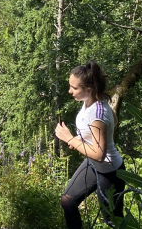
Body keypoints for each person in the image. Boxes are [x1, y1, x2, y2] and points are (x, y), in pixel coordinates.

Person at [54, 61, 126, 229]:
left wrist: (70, 139)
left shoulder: (97, 114)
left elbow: (100, 154)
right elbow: (106, 127)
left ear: (88, 90)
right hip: (93, 165)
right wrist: (80, 141)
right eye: (70, 86)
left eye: (74, 88)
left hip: (110, 172)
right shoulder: (91, 102)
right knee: (68, 200)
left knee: (113, 221)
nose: (69, 91)